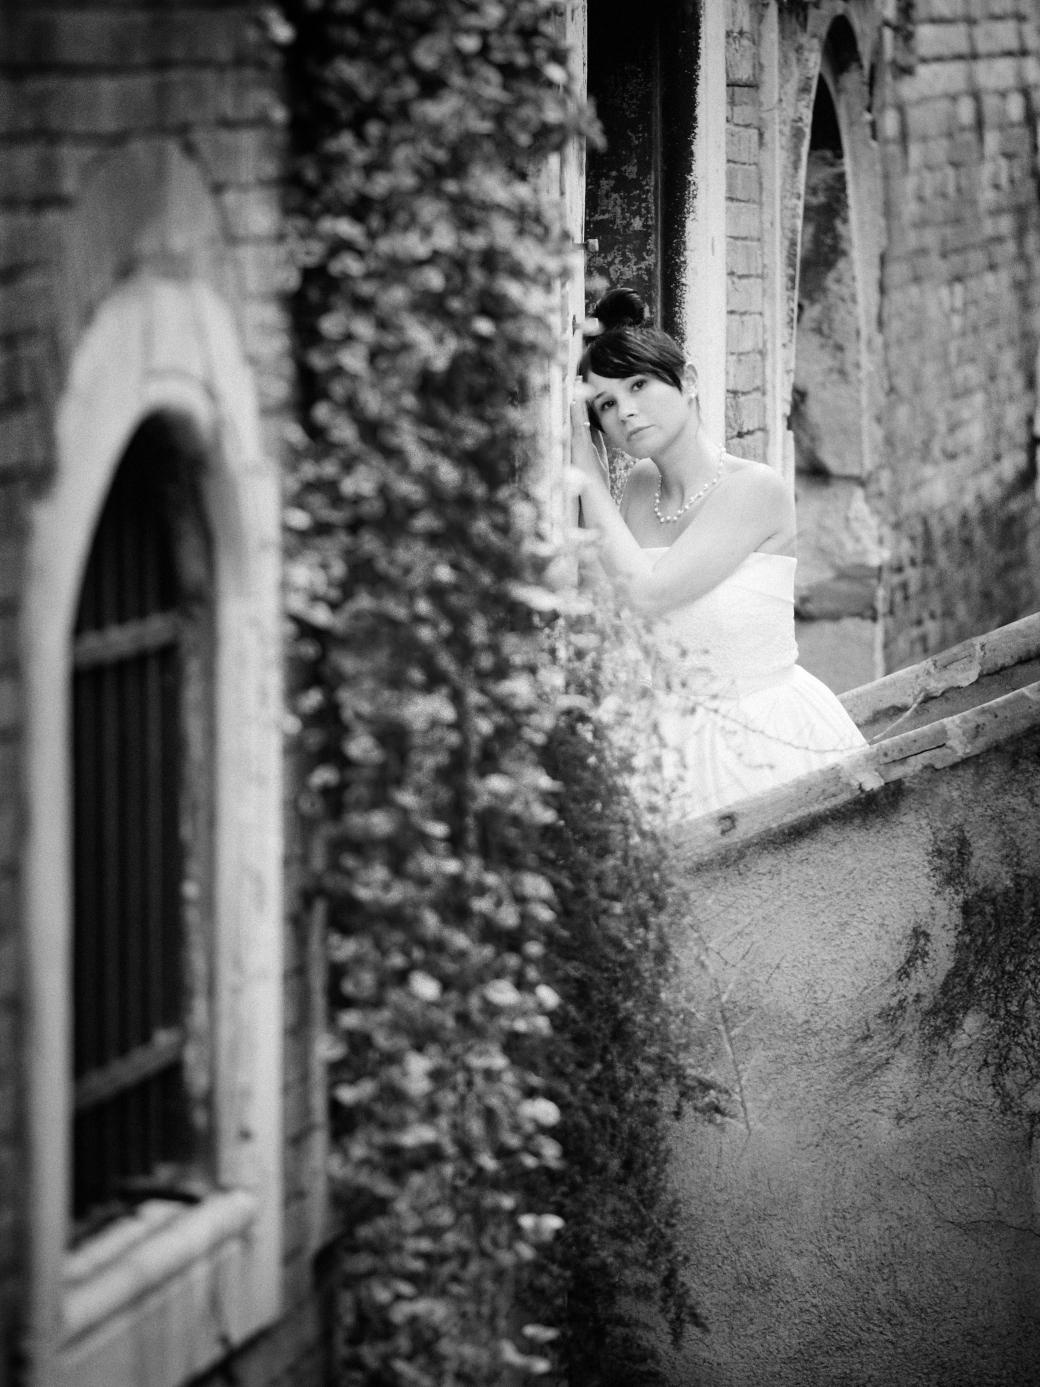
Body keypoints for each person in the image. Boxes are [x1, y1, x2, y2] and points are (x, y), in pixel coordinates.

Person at [568, 286, 866, 819]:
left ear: (689, 382)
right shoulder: (638, 486)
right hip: (666, 741)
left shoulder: (755, 489)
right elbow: (611, 608)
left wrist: (587, 476)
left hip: (761, 738)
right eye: (607, 403)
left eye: (639, 385)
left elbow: (650, 595)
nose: (626, 412)